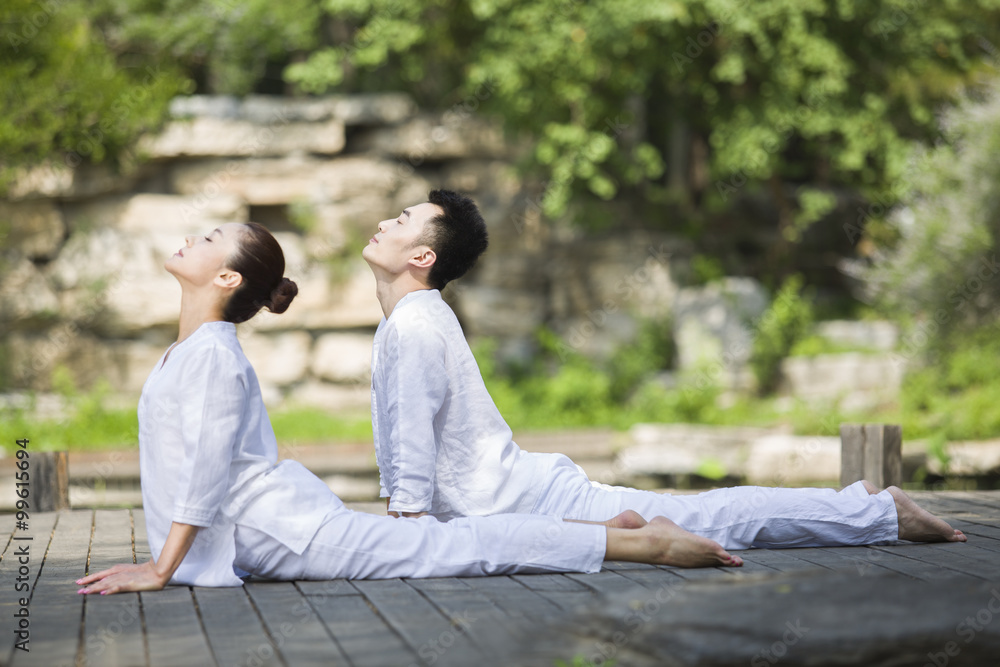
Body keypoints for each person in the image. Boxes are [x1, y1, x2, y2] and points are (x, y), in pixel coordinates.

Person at [77, 222, 745, 597]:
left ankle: (643, 541)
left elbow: (202, 471)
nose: (193, 235)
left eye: (210, 236)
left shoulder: (215, 356)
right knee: (445, 545)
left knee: (451, 550)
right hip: (265, 531)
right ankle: (605, 527)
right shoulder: (193, 351)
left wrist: (159, 568)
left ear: (226, 279)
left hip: (279, 529)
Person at [361, 189, 967, 549]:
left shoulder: (414, 324)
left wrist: (400, 541)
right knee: (703, 515)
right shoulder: (410, 321)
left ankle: (874, 510)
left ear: (422, 255)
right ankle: (865, 505)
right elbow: (407, 460)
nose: (386, 221)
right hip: (515, 508)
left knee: (708, 518)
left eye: (402, 219)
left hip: (533, 506)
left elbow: (411, 479)